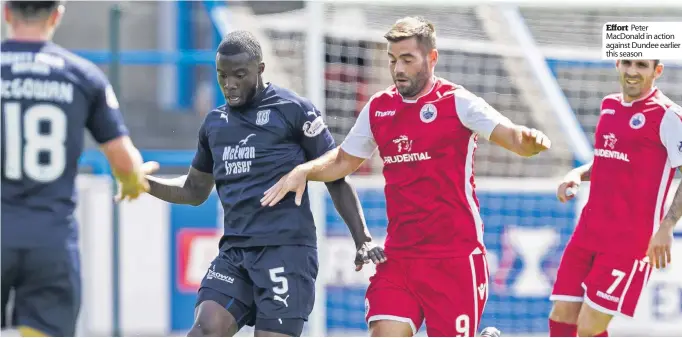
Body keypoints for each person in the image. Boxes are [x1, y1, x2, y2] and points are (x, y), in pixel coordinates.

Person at [261, 16, 551, 337]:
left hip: (453, 259)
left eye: (407, 60)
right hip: (399, 258)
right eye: (392, 60)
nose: (398, 69)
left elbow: (511, 137)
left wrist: (527, 141)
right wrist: (304, 170)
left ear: (432, 58)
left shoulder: (459, 103)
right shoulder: (379, 108)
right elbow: (343, 161)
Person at [141, 30, 385, 337]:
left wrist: (362, 238)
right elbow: (193, 191)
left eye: (239, 75)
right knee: (204, 330)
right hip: (235, 254)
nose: (229, 85)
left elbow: (336, 175)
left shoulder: (293, 110)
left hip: (286, 253)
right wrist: (145, 184)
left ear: (260, 68)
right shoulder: (214, 124)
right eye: (222, 75)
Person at [1, 1, 153, 336]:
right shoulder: (82, 76)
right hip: (50, 240)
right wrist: (132, 181)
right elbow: (123, 160)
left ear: (6, 13)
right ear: (57, 15)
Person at [549, 59, 682, 337]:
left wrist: (667, 226)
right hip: (588, 231)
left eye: (642, 66)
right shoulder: (609, 104)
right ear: (617, 65)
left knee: (588, 329)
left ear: (657, 71)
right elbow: (605, 161)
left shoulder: (669, 115)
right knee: (561, 317)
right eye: (628, 64)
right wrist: (576, 174)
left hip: (630, 242)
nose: (633, 71)